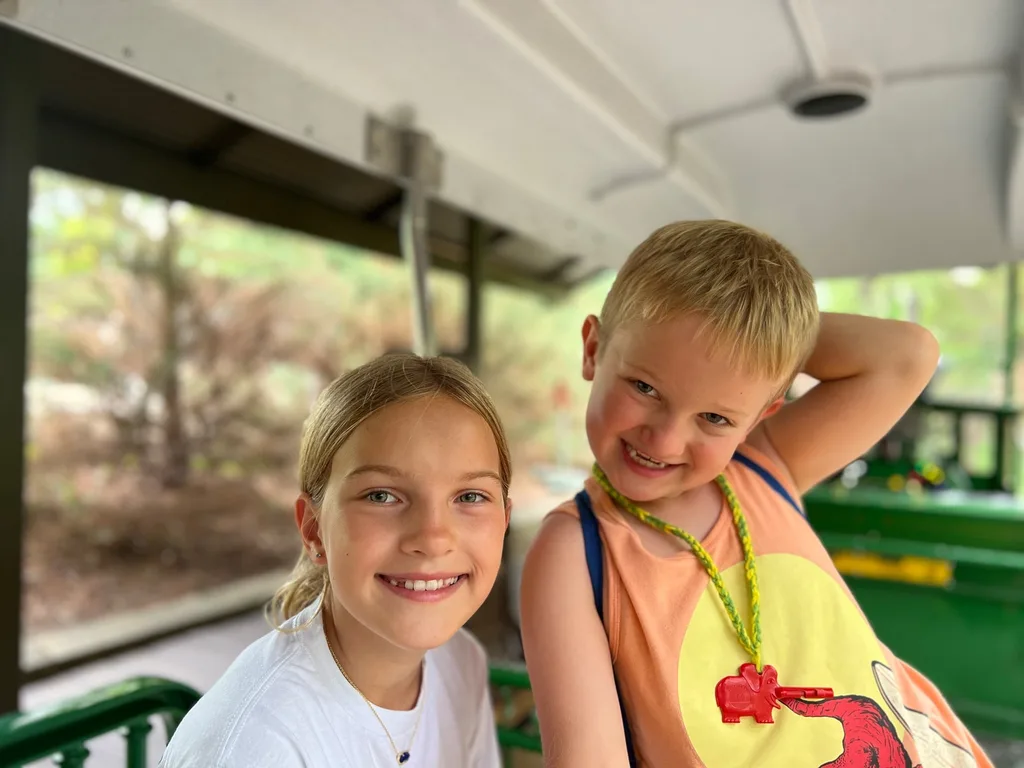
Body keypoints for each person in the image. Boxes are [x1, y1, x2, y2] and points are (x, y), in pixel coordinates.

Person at [519, 220, 993, 767]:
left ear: (761, 414)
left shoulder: (763, 466)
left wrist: (764, 336)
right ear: (593, 349)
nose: (666, 437)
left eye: (716, 416)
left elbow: (909, 354)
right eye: (644, 387)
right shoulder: (575, 551)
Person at [161, 353, 509, 767]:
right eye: (382, 495)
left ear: (505, 519)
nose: (433, 539)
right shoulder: (255, 746)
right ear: (313, 530)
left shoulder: (460, 663)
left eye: (470, 497)